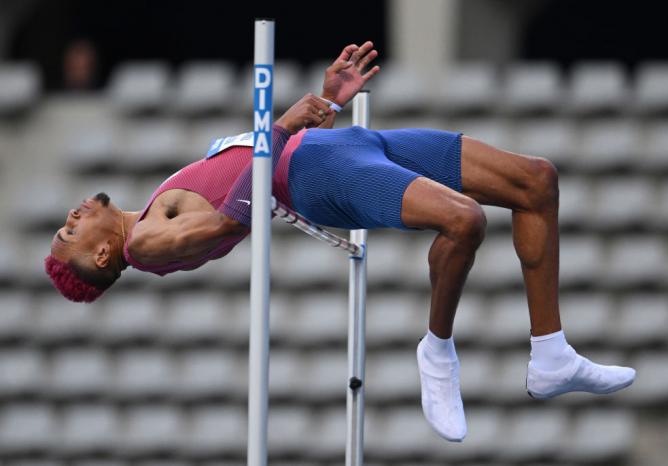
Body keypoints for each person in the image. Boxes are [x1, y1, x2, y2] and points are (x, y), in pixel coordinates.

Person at [45, 41, 635, 442]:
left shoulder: (158, 198)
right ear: (101, 256)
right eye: (71, 231)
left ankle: (551, 353)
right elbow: (234, 220)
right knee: (464, 220)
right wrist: (280, 126)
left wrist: (325, 103)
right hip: (318, 177)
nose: (72, 215)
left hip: (342, 147)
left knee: (536, 180)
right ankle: (436, 352)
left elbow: (251, 178)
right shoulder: (145, 243)